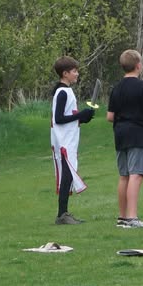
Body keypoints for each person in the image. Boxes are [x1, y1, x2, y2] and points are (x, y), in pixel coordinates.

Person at [106, 49, 143, 228]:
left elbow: (110, 116)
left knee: (124, 175)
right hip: (137, 132)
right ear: (138, 66)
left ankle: (122, 216)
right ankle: (132, 217)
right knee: (136, 174)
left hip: (120, 132)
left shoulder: (116, 88)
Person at [50, 56, 95, 225]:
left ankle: (64, 213)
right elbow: (59, 118)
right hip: (63, 141)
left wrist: (82, 118)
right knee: (67, 177)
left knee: (68, 177)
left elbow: (69, 116)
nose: (77, 74)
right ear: (65, 73)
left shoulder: (66, 91)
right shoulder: (62, 92)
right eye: (74, 71)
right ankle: (62, 214)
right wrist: (79, 115)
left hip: (69, 139)